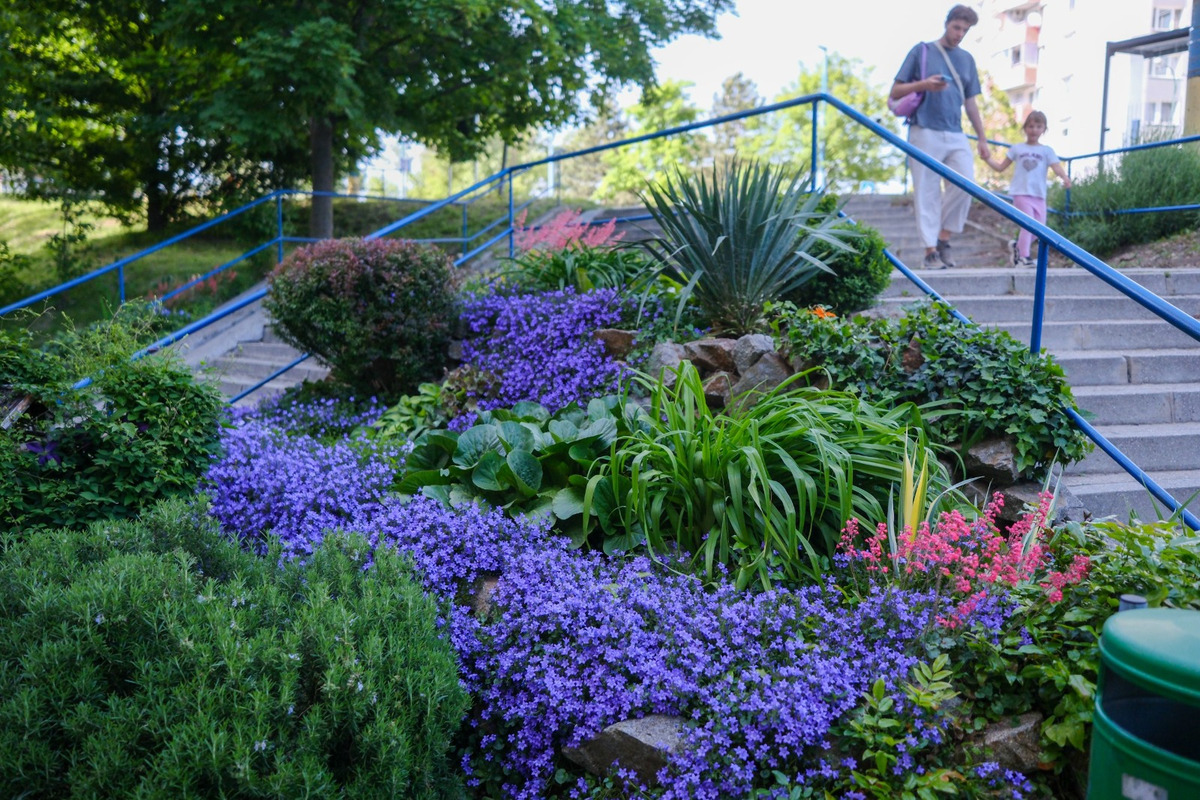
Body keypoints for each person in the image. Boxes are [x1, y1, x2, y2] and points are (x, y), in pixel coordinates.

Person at [892, 4, 990, 269]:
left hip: (955, 131)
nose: (959, 34)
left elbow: (971, 103)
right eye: (956, 27)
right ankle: (930, 251)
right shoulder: (921, 51)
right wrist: (925, 84)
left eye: (965, 31)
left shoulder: (967, 59)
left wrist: (982, 138)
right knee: (927, 191)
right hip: (924, 128)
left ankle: (944, 238)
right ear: (947, 23)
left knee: (966, 183)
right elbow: (895, 91)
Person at [983, 110, 1073, 267]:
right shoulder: (1017, 149)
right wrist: (988, 158)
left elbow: (1056, 167)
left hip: (1039, 195)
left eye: (1039, 126)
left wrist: (1064, 178)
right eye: (1031, 126)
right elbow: (1000, 167)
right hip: (1021, 194)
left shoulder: (1046, 151)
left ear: (1044, 129)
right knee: (1028, 225)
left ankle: (1017, 247)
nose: (1034, 130)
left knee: (1040, 229)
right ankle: (1023, 257)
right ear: (1025, 128)